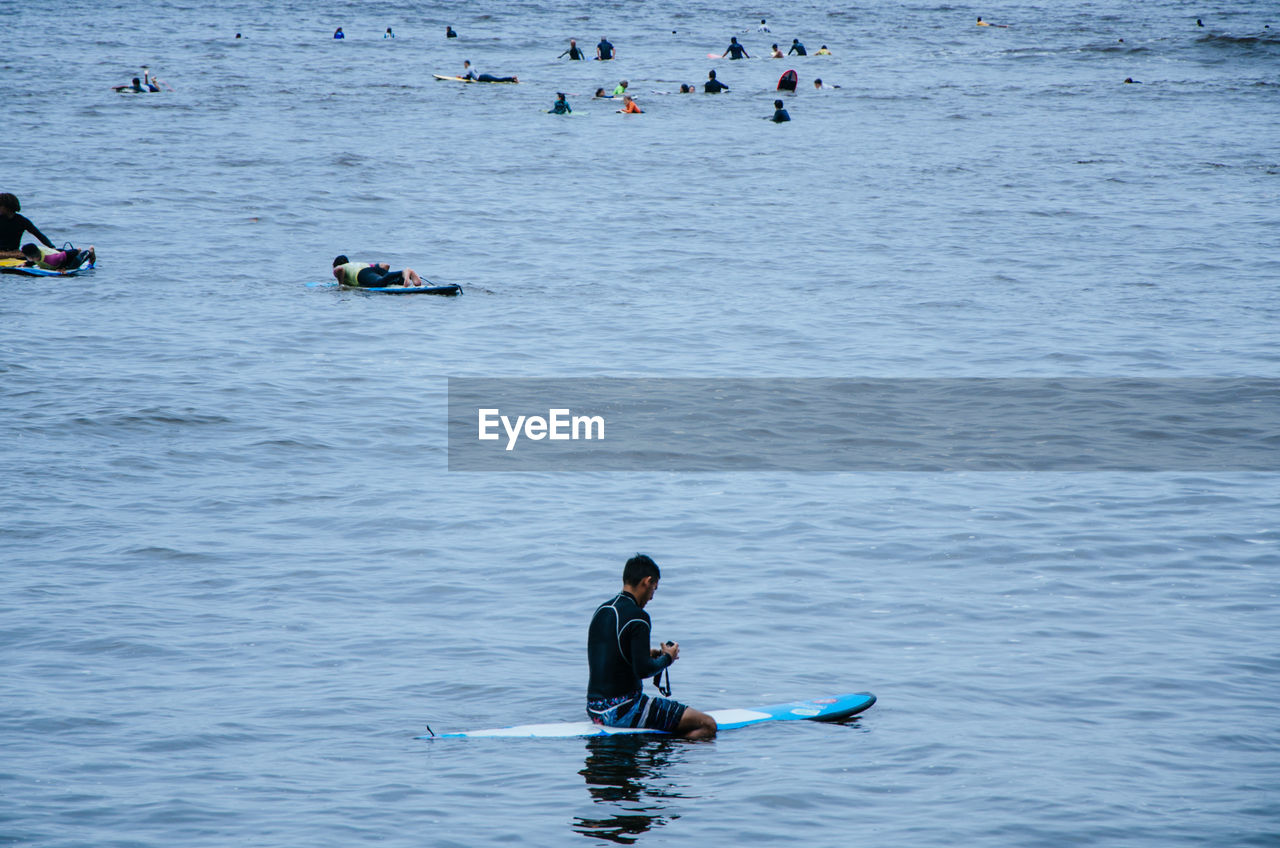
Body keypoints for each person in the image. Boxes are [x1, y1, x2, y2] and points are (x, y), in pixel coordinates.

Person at [587, 555, 716, 740]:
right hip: (623, 711)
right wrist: (667, 658)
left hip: (594, 710)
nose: (652, 597)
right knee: (707, 725)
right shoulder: (639, 617)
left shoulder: (602, 611)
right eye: (654, 589)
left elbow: (608, 654)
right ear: (647, 582)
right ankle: (664, 753)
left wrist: (646, 654)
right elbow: (643, 670)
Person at [0, 194, 54, 259]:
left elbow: (38, 235)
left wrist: (52, 248)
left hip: (14, 252)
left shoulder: (21, 221)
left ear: (7, 207)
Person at [331, 256, 423, 288]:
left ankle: (405, 272)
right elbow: (385, 265)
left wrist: (341, 285)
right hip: (372, 269)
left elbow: (339, 270)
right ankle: (407, 277)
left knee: (379, 282)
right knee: (391, 280)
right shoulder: (356, 264)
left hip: (362, 274)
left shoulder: (340, 267)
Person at [20, 243, 95, 271]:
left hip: (69, 258)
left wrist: (64, 268)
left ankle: (90, 251)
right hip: (57, 253)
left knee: (74, 264)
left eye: (27, 256)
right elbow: (33, 260)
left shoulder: (52, 259)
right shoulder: (35, 254)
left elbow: (72, 254)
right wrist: (26, 264)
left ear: (32, 257)